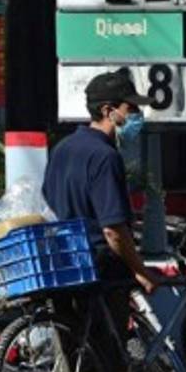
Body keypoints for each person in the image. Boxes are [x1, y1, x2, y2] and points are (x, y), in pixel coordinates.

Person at [42, 71, 160, 295]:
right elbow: (113, 230)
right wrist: (141, 271)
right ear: (108, 111)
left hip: (65, 264)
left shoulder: (62, 148)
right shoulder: (105, 156)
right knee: (112, 329)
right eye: (131, 109)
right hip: (100, 269)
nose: (137, 116)